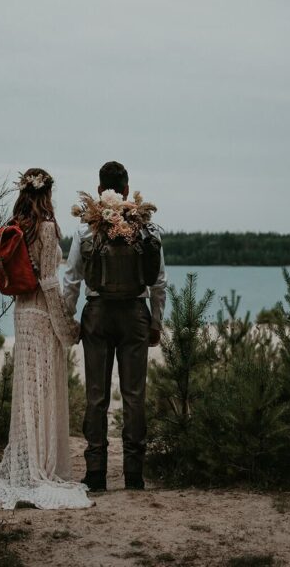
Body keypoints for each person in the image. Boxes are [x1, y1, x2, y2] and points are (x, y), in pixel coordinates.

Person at [0, 168, 92, 510]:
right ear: (47, 193)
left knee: (27, 390)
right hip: (43, 317)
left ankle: (26, 459)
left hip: (21, 315)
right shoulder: (46, 228)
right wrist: (66, 325)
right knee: (43, 389)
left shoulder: (17, 226)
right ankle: (41, 465)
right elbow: (48, 281)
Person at [63, 161, 167, 491]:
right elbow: (159, 284)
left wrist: (68, 320)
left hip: (97, 315)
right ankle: (134, 475)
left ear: (98, 190)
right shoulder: (148, 229)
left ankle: (95, 473)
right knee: (135, 396)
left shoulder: (86, 230)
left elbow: (70, 281)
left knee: (96, 396)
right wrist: (156, 323)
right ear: (126, 189)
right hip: (135, 314)